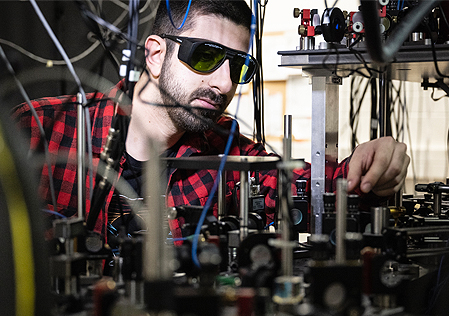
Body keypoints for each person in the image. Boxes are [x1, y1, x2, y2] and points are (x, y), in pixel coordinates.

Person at [13, 0, 409, 241]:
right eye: (204, 56)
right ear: (154, 56)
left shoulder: (230, 159)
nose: (223, 84)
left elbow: (316, 187)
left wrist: (375, 164)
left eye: (238, 67)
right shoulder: (39, 131)